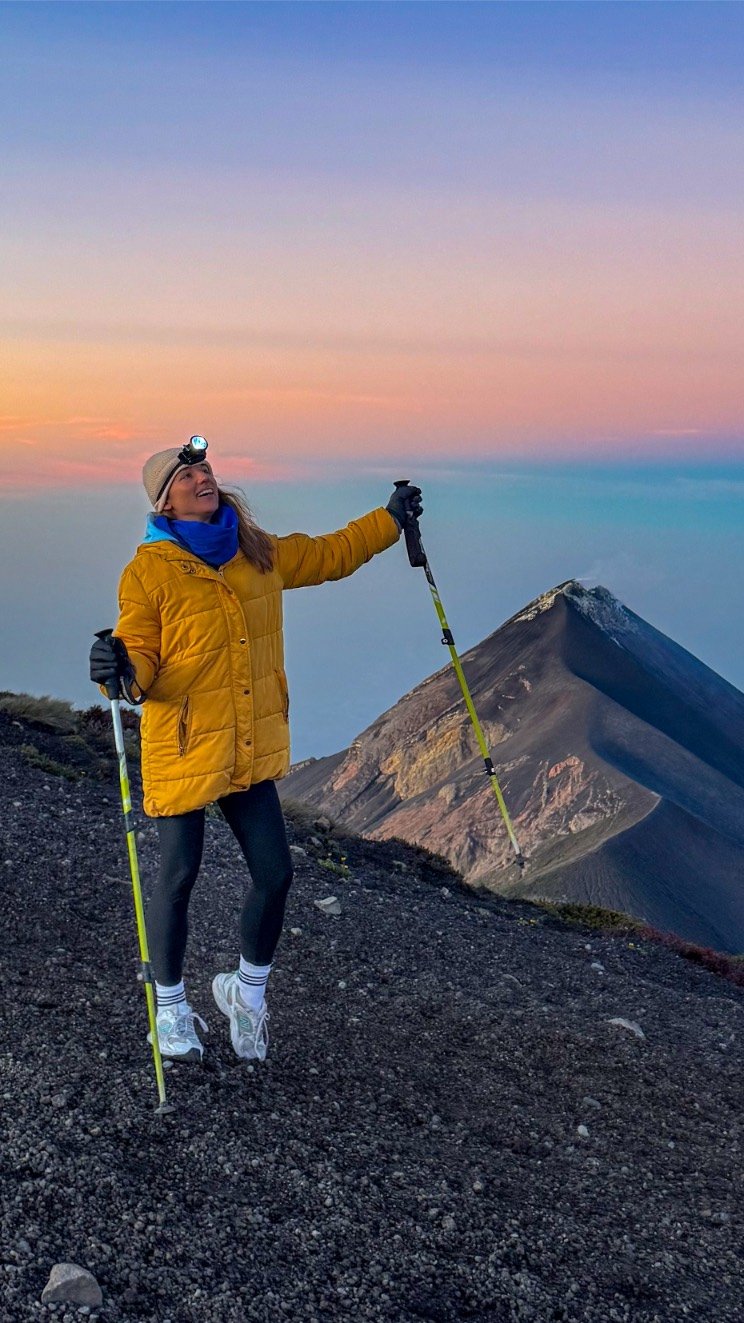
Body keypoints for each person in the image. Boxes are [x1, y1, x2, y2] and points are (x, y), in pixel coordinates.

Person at [89, 436, 422, 1066]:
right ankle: (170, 1009)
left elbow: (330, 554)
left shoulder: (256, 551)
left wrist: (389, 520)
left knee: (275, 874)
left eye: (205, 467)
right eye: (187, 474)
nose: (202, 477)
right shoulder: (149, 571)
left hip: (245, 746)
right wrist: (119, 669)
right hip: (184, 746)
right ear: (166, 500)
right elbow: (142, 669)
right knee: (178, 874)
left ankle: (246, 996)